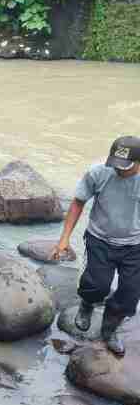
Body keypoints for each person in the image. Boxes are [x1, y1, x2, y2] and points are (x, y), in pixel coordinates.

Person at [52, 136, 140, 357]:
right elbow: (78, 202)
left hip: (134, 245)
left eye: (125, 167)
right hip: (99, 238)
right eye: (116, 165)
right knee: (97, 285)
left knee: (130, 293)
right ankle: (87, 304)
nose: (118, 170)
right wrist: (64, 239)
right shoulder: (98, 173)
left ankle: (110, 328)